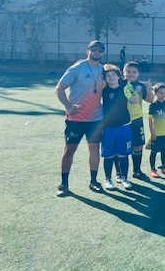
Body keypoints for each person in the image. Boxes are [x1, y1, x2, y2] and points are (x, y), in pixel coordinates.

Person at [54, 40, 106, 196]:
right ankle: (64, 184)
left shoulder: (103, 69)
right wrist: (69, 107)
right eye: (94, 49)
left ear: (103, 53)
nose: (96, 52)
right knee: (69, 150)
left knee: (94, 149)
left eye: (100, 50)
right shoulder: (77, 68)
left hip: (96, 118)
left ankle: (94, 181)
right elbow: (59, 88)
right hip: (75, 119)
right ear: (87, 50)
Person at [101, 64, 135, 190]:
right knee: (108, 155)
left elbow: (134, 100)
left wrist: (131, 90)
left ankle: (124, 178)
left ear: (119, 76)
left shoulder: (125, 88)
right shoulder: (104, 89)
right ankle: (108, 179)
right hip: (108, 128)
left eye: (113, 75)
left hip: (124, 127)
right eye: (108, 75)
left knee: (123, 154)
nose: (111, 77)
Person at [121, 61, 153, 181]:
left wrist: (149, 89)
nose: (131, 74)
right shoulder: (119, 84)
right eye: (128, 71)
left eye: (134, 72)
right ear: (123, 72)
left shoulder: (141, 86)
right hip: (122, 121)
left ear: (138, 74)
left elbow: (150, 100)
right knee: (121, 147)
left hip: (137, 120)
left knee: (138, 145)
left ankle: (137, 171)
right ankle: (121, 174)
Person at [148, 83, 165, 177]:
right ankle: (152, 169)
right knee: (154, 152)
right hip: (157, 133)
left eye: (164, 93)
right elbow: (150, 121)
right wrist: (152, 133)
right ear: (155, 94)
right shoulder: (153, 106)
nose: (162, 95)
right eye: (160, 93)